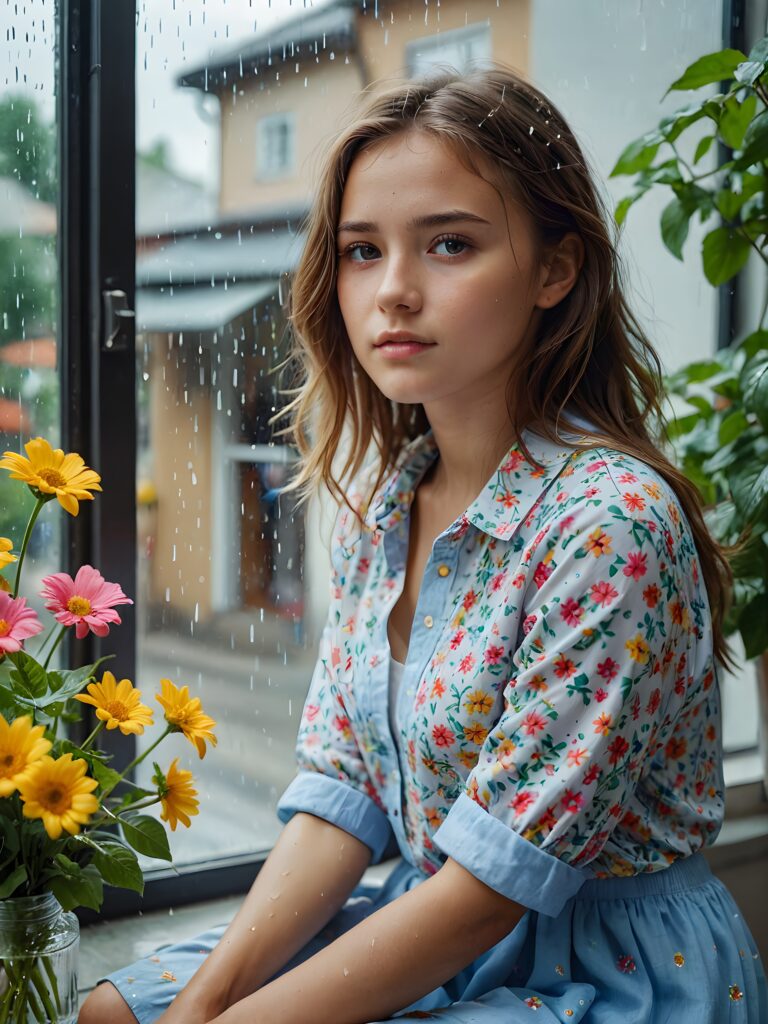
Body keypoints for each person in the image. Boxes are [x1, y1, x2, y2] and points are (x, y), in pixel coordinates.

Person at [79, 63, 768, 1024]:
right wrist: (203, 1004)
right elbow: (341, 793)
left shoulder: (610, 525)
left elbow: (488, 891)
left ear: (555, 270)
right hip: (430, 915)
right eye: (363, 251)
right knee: (115, 1012)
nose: (393, 291)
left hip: (600, 967)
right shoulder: (384, 504)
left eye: (449, 244)